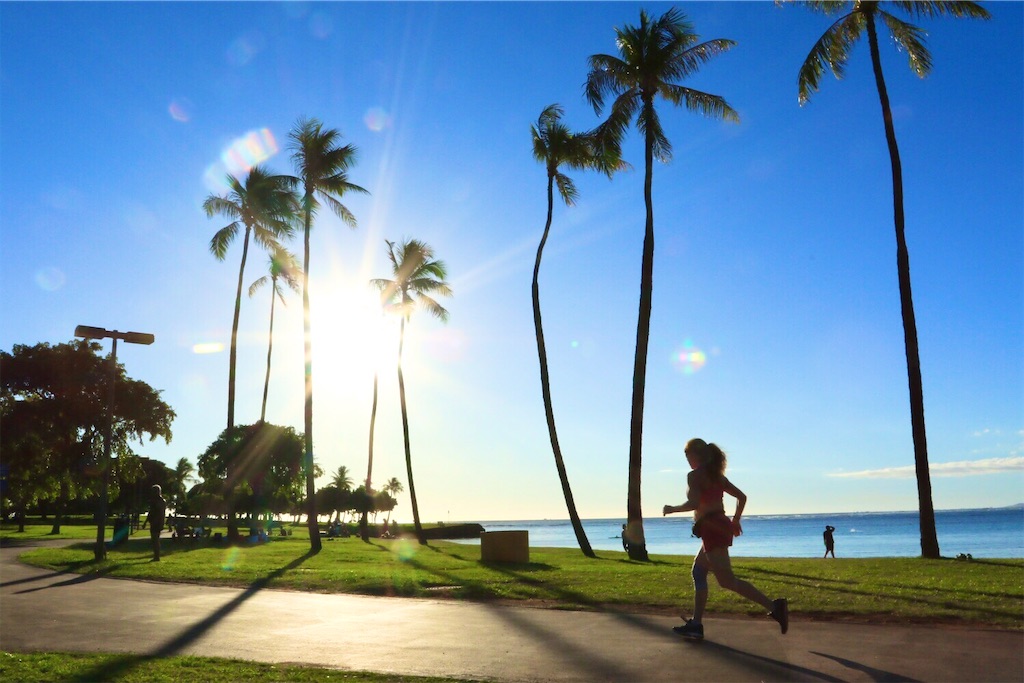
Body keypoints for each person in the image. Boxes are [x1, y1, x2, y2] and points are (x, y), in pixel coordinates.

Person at [663, 438, 788, 641]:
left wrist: (672, 509)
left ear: (694, 455)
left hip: (713, 529)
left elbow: (694, 502)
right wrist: (735, 520)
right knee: (698, 571)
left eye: (687, 456)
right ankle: (696, 624)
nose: (687, 461)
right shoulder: (717, 476)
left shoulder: (695, 476)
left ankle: (775, 607)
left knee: (727, 581)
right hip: (718, 526)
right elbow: (742, 497)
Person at [145, 484, 166, 562]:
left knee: (155, 540)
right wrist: (146, 522)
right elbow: (151, 512)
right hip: (154, 522)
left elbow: (159, 513)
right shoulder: (154, 501)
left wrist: (156, 522)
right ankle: (156, 556)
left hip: (157, 523)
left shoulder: (160, 501)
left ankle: (157, 557)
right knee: (154, 540)